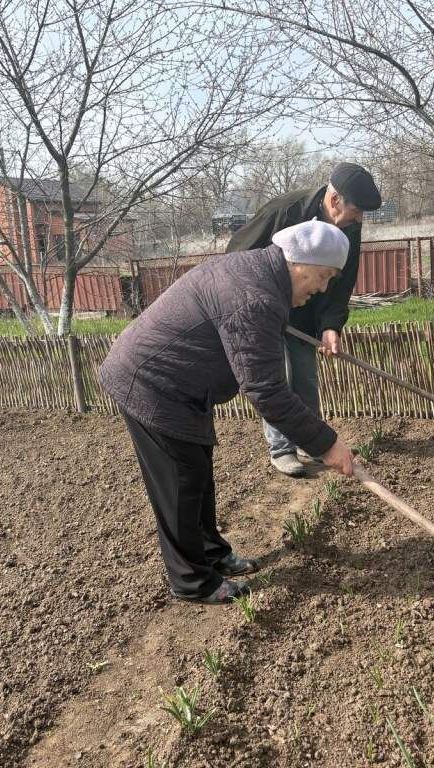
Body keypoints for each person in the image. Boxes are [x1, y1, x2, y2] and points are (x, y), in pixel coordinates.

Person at [99, 220, 355, 605]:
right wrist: (327, 444)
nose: (322, 289)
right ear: (300, 263)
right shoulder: (256, 296)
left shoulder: (260, 276)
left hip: (183, 386)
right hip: (152, 382)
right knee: (181, 482)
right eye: (323, 277)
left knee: (198, 473)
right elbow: (266, 390)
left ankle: (212, 554)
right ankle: (192, 581)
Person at [226, 162, 382, 478]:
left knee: (306, 377)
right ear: (335, 199)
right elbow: (237, 254)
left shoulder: (349, 225)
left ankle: (310, 443)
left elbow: (344, 279)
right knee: (278, 376)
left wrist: (331, 325)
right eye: (357, 211)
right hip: (265, 309)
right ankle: (282, 449)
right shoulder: (285, 210)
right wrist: (256, 301)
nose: (360, 219)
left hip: (305, 310)